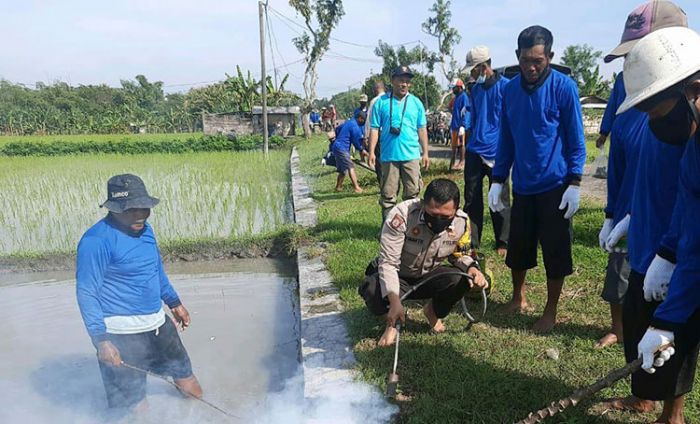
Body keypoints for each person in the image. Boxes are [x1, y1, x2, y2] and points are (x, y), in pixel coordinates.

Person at [613, 27, 700, 424]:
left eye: (656, 110)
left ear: (691, 90)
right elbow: (689, 198)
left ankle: (674, 415)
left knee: (678, 329)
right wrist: (666, 249)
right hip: (663, 239)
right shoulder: (695, 137)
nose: (653, 123)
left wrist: (668, 318)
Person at [595, 0, 687, 352]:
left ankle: (670, 409)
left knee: (673, 329)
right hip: (644, 229)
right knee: (639, 319)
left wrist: (672, 250)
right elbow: (636, 167)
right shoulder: (634, 94)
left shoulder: (688, 109)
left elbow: (689, 189)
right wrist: (621, 214)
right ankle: (644, 397)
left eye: (639, 54)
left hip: (678, 240)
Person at [488, 25, 586, 333]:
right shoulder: (509, 90)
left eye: (538, 61)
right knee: (519, 246)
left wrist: (574, 182)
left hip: (556, 186)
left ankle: (551, 311)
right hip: (524, 186)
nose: (531, 67)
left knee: (555, 251)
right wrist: (499, 178)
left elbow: (576, 138)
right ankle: (519, 298)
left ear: (550, 57)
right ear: (517, 57)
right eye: (526, 60)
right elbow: (507, 137)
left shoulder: (564, 87)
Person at [76, 174, 202, 410]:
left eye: (144, 208)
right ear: (113, 208)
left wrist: (174, 302)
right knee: (135, 407)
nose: (140, 215)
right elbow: (87, 292)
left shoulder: (145, 230)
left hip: (157, 325)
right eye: (131, 210)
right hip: (120, 334)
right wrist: (101, 341)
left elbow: (154, 269)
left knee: (190, 386)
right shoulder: (96, 241)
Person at [359, 178, 488, 346]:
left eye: (445, 217)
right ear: (423, 204)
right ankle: (392, 323)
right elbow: (388, 263)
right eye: (433, 215)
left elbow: (459, 255)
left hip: (428, 275)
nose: (438, 221)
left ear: (455, 210)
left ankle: (432, 312)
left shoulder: (461, 222)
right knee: (371, 288)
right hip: (398, 276)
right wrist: (394, 301)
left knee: (462, 279)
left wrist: (472, 268)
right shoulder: (401, 216)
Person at [461, 45, 511, 256]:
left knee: (499, 196)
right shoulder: (476, 90)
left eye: (473, 70)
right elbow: (473, 116)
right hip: (475, 149)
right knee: (471, 197)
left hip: (497, 151)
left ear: (483, 67)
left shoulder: (507, 88)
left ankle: (503, 241)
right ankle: (473, 240)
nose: (472, 74)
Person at [368, 66, 430, 221]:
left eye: (407, 81)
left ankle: (411, 228)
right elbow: (374, 129)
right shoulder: (380, 103)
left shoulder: (416, 103)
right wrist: (371, 152)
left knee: (412, 195)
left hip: (411, 156)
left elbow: (422, 129)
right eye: (401, 80)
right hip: (389, 156)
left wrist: (426, 153)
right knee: (388, 196)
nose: (404, 84)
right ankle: (388, 229)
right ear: (392, 81)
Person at [332, 111, 368, 193]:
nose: (364, 122)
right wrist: (362, 150)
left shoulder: (349, 122)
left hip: (336, 146)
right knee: (350, 166)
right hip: (342, 148)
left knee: (343, 170)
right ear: (360, 118)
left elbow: (337, 129)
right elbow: (356, 142)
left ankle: (338, 187)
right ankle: (357, 188)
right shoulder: (355, 127)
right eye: (364, 120)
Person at [366, 80, 387, 184]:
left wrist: (366, 136)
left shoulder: (375, 101)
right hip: (388, 135)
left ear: (376, 89)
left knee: (379, 161)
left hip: (378, 134)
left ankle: (383, 183)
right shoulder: (390, 99)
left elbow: (370, 121)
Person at [448, 78, 470, 170]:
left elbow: (466, 111)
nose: (453, 90)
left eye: (454, 88)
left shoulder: (464, 97)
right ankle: (452, 164)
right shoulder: (456, 98)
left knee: (461, 145)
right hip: (455, 125)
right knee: (454, 146)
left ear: (459, 87)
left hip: (461, 126)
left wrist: (463, 125)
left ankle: (462, 162)